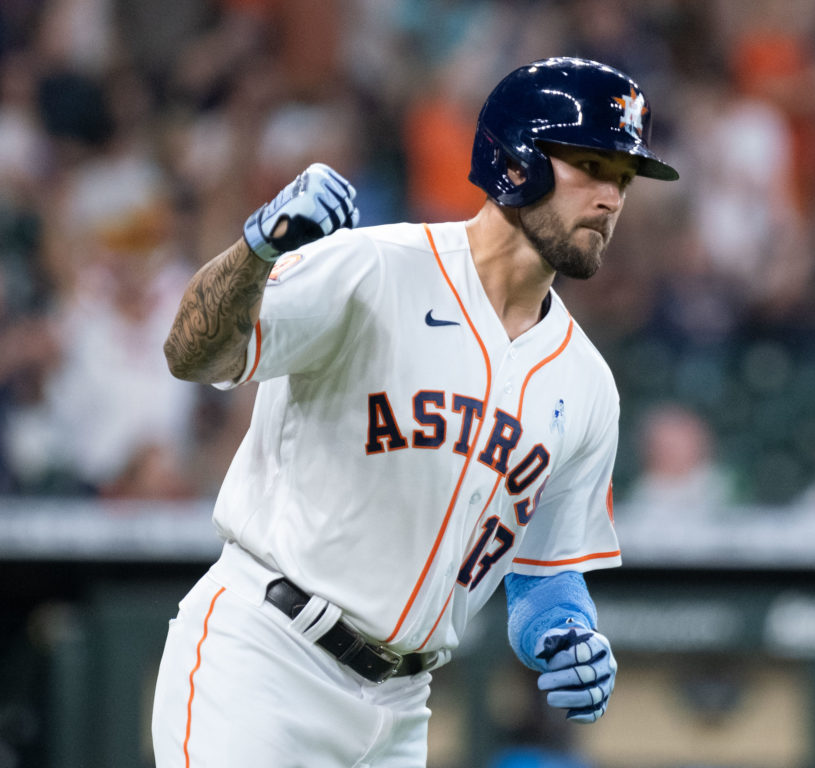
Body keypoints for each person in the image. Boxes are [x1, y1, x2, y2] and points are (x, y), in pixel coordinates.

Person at [151, 56, 679, 768]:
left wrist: (567, 630)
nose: (612, 197)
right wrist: (257, 250)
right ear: (517, 158)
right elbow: (191, 352)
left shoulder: (587, 384)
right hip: (266, 662)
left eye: (623, 177)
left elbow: (542, 569)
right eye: (591, 164)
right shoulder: (374, 268)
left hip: (401, 710)